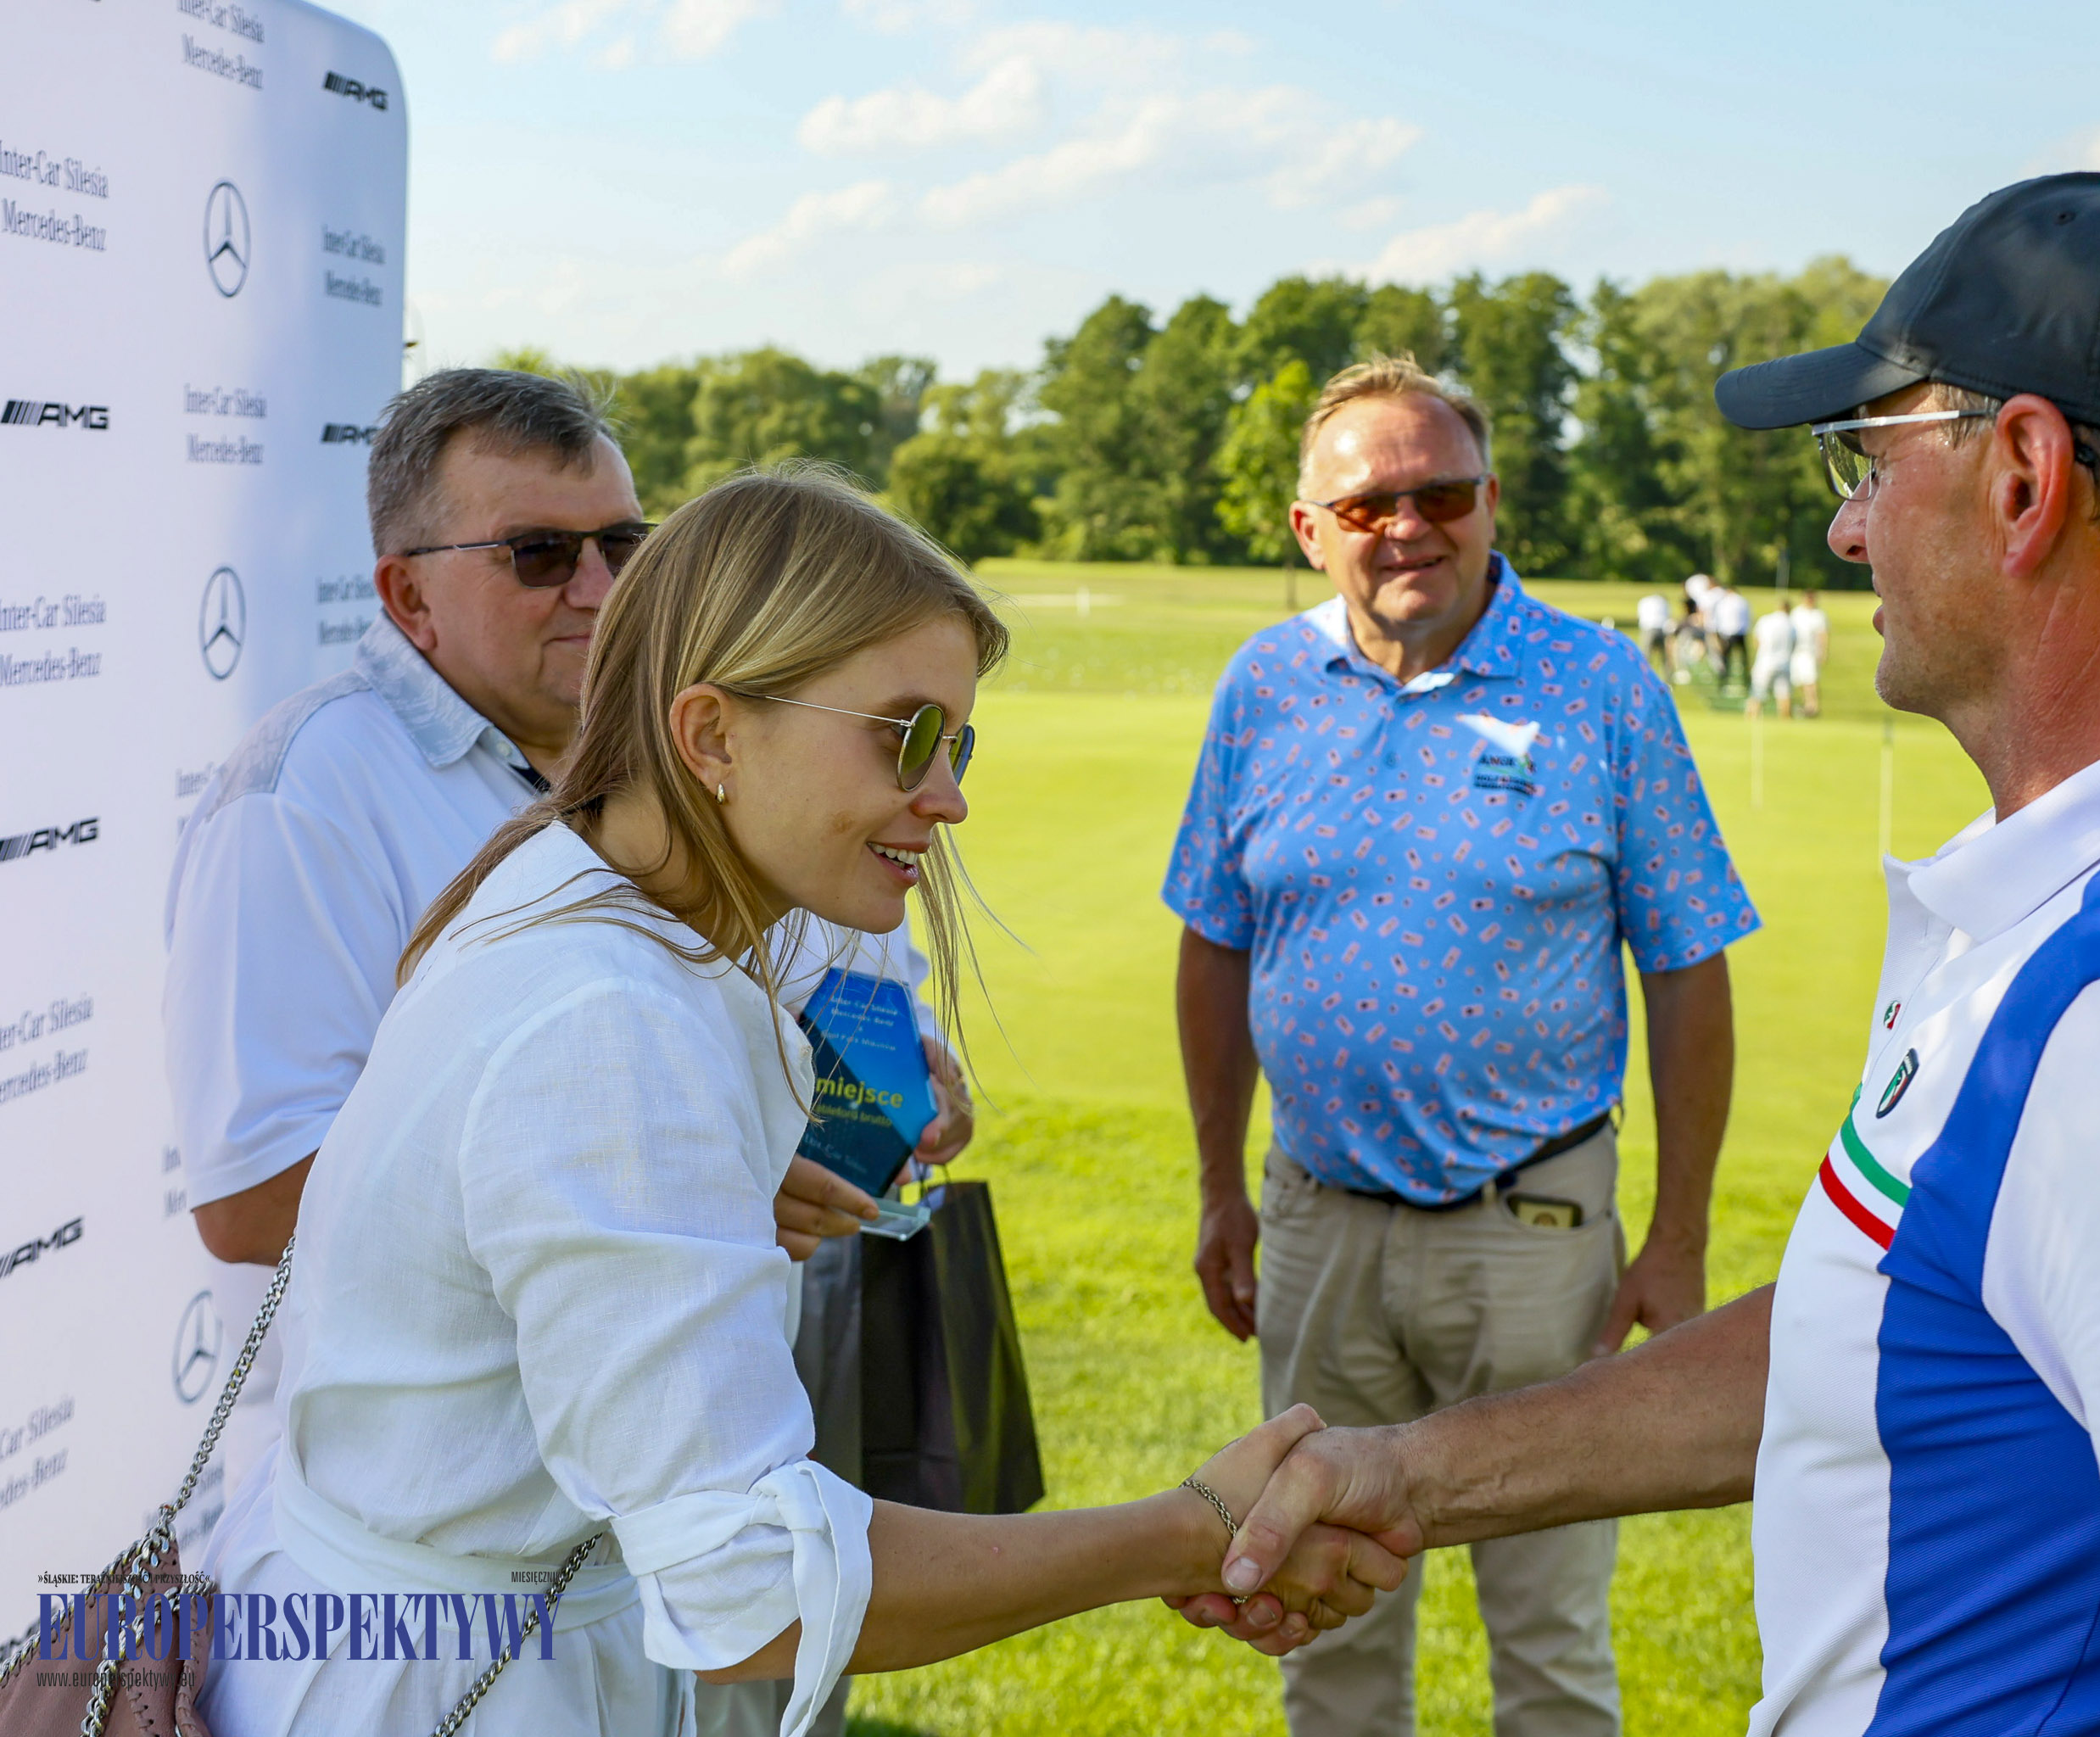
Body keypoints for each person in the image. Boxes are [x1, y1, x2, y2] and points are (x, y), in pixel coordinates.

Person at [1183, 173, 2100, 1737]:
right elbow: (1887, 1334)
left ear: (2023, 476)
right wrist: (1408, 1469)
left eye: (1868, 457)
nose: (1842, 521)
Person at [195, 466, 1404, 1736]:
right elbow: (749, 1589)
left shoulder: (576, 882)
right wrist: (1180, 1534)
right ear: (711, 734)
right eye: (904, 735)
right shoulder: (612, 1015)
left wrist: (704, 1194)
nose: (948, 798)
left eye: (960, 740)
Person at [160, 369, 968, 1737]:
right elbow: (251, 1194)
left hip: (635, 1526)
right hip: (434, 1587)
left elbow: (859, 999)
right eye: (540, 554)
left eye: (624, 544)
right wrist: (678, 1184)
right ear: (406, 595)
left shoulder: (650, 782)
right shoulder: (307, 794)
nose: (597, 586)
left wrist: (889, 1092)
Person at [1165, 358, 1760, 1737]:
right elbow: (1214, 940)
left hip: (1534, 1222)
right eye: (1369, 501)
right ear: (1308, 527)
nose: (1408, 524)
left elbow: (1686, 962)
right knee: (1321, 1609)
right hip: (1317, 1218)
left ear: (1491, 504)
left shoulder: (1601, 687)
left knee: (1545, 1624)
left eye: (1441, 492)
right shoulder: (1263, 685)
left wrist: (1674, 1235)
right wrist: (1218, 1184)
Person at [1745, 595, 1795, 718]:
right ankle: (1786, 724)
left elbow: (1757, 641)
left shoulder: (1765, 620)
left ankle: (1751, 718)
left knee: (1757, 694)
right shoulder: (1791, 624)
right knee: (1784, 695)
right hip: (1784, 663)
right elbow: (1794, 644)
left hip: (1765, 662)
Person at [1786, 586, 1829, 718]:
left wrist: (1823, 652)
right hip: (1796, 651)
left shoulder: (1818, 615)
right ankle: (1806, 704)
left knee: (1810, 680)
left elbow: (1823, 634)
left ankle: (1813, 706)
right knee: (1799, 680)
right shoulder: (1796, 613)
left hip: (1810, 652)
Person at [1706, 580, 1753, 687]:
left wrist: (1717, 633)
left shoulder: (1724, 602)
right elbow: (1748, 617)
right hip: (1741, 633)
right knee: (1744, 660)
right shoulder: (1743, 601)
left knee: (1726, 659)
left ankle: (1723, 681)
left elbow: (1719, 618)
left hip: (1727, 634)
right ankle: (1746, 681)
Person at [1634, 589, 1673, 677]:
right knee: (1665, 657)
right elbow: (1668, 617)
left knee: (1646, 655)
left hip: (1648, 628)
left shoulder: (1644, 601)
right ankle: (1668, 677)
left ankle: (1643, 676)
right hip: (1662, 629)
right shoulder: (1664, 603)